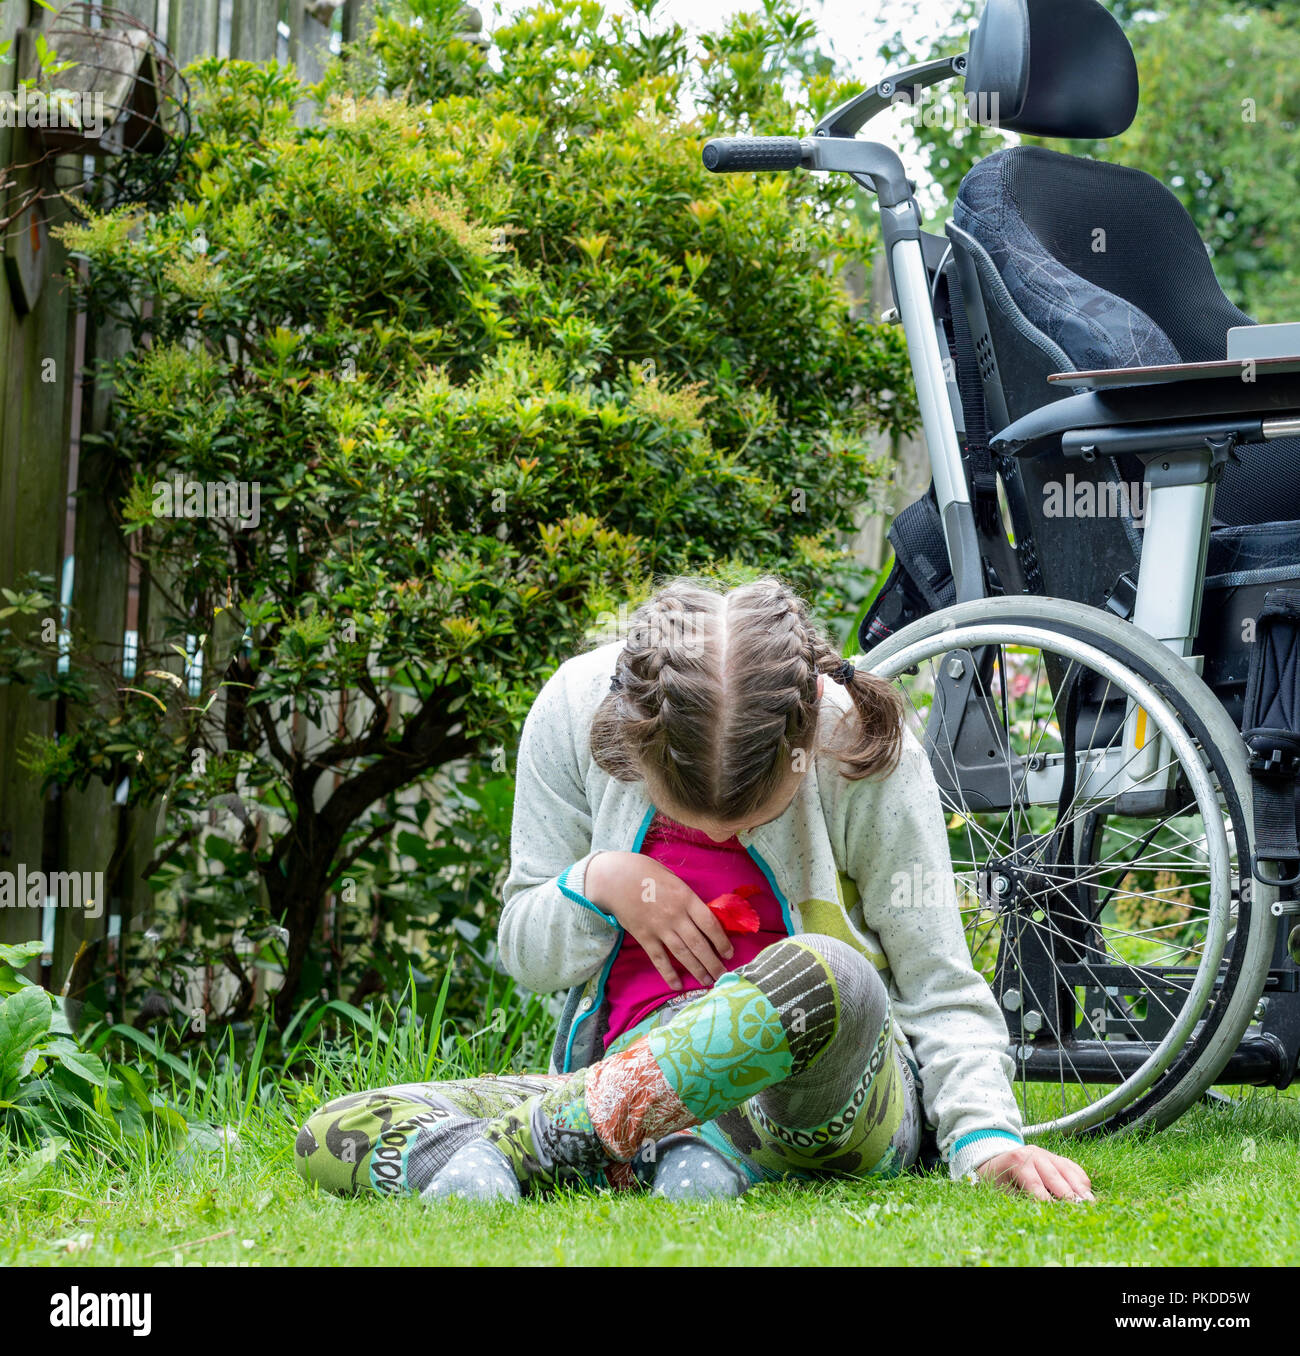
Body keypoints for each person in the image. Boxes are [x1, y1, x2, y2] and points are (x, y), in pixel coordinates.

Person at [294, 577, 1094, 1204]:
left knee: (827, 973)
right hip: (625, 1087)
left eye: (747, 816)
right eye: (693, 813)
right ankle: (666, 1149)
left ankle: (525, 1152)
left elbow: (937, 979)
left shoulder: (855, 741)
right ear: (634, 747)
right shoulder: (577, 707)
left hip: (825, 1107)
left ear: (801, 744)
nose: (718, 840)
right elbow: (525, 951)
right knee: (336, 1131)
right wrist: (600, 882)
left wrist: (984, 1139)